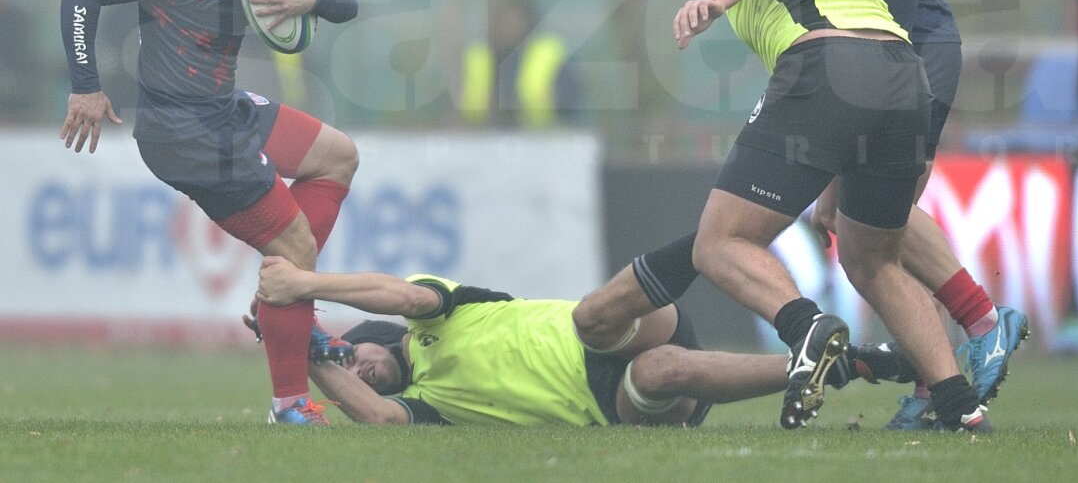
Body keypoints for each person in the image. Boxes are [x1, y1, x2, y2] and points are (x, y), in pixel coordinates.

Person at [751, 0, 1029, 428]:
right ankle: (951, 367)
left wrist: (878, 73)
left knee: (872, 236)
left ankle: (973, 335)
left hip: (907, 52)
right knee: (871, 225)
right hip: (895, 56)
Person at [674, 0, 987, 432]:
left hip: (826, 64)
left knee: (719, 243)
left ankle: (804, 327)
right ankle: (961, 407)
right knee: (874, 260)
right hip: (902, 75)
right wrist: (831, 196)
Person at [58, 0, 360, 426]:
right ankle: (289, 405)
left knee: (338, 157)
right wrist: (85, 86)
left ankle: (288, 307)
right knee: (294, 250)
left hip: (224, 107)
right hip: (182, 131)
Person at [251, 231, 919, 427]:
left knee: (593, 313)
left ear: (373, 334)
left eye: (357, 355)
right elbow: (377, 416)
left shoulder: (437, 312)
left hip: (605, 334)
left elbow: (396, 291)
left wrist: (306, 288)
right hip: (609, 401)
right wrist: (298, 352)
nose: (361, 369)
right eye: (352, 370)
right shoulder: (425, 404)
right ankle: (849, 360)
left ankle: (716, 237)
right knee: (663, 371)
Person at [459, 0, 584, 127]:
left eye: (514, 19)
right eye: (503, 19)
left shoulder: (550, 53)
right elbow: (456, 104)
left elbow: (571, 101)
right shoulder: (478, 56)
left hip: (542, 138)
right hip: (481, 138)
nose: (508, 25)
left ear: (528, 21)